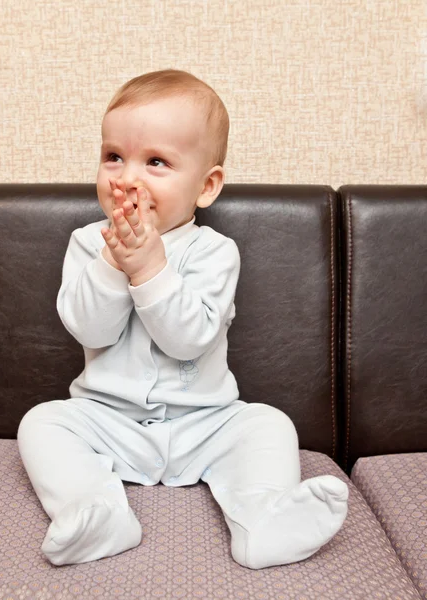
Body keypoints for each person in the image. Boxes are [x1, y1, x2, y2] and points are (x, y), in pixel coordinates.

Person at [17, 69, 349, 569]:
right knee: (41, 422)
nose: (126, 178)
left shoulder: (216, 253)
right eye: (113, 157)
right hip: (109, 421)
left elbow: (189, 340)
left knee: (268, 424)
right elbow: (90, 329)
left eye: (155, 162)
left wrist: (149, 268)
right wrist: (113, 263)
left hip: (204, 422)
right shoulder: (88, 243)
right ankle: (98, 512)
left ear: (206, 185)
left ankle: (262, 522)